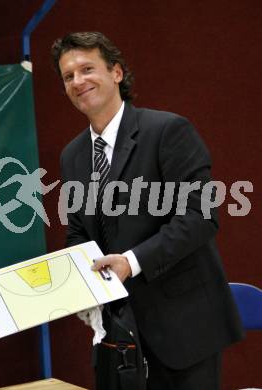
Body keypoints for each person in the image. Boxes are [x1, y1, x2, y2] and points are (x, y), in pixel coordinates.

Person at [51, 31, 244, 390]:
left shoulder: (168, 130)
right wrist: (79, 283)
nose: (78, 81)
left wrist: (131, 261)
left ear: (117, 73)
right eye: (68, 76)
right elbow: (78, 232)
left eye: (87, 69)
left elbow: (199, 216)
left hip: (184, 331)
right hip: (118, 335)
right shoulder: (72, 156)